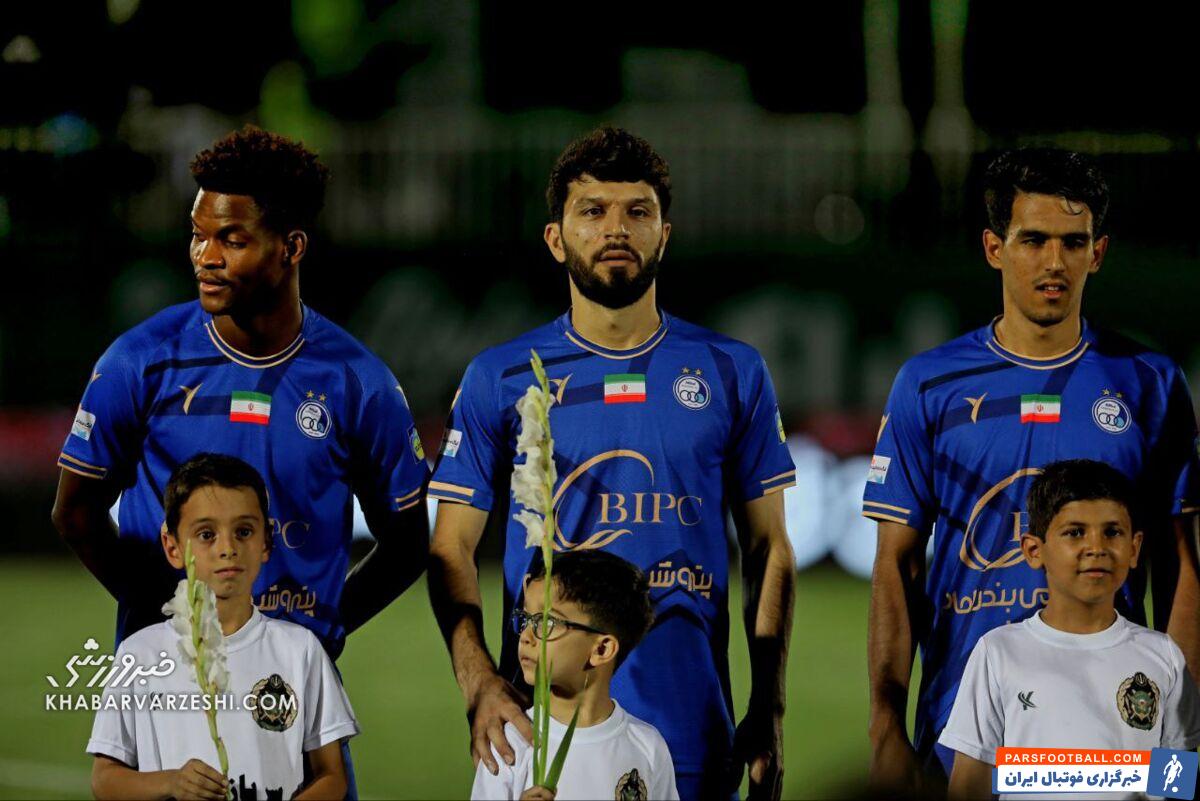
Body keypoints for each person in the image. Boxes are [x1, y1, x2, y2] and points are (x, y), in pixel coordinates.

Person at [428, 126, 795, 800]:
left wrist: (768, 705)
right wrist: (478, 680)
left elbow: (769, 546)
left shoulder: (731, 371)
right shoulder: (500, 376)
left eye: (637, 212)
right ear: (555, 238)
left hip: (693, 734)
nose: (616, 229)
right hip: (539, 742)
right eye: (592, 211)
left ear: (664, 234)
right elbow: (450, 546)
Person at [865, 147, 1200, 792]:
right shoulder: (928, 384)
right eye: (1034, 240)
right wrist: (885, 727)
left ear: (1097, 253)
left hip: (1115, 745)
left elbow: (1181, 568)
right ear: (995, 248)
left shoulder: (1150, 384)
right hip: (963, 736)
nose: (1054, 262)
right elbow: (896, 565)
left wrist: (1178, 755)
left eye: (1073, 243)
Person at [51, 125, 430, 656]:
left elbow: (408, 544)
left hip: (291, 690)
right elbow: (75, 514)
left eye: (231, 240)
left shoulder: (359, 383)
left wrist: (322, 634)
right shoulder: (139, 362)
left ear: (291, 247)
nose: (205, 256)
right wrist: (167, 619)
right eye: (197, 235)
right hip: (167, 677)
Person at [88, 453, 358, 801]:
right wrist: (171, 782)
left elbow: (333, 776)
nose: (228, 548)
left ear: (266, 541)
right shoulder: (139, 654)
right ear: (172, 546)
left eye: (243, 532)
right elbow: (104, 780)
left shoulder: (300, 650)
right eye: (206, 534)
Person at [939, 460, 1200, 800]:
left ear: (1134, 549)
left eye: (1112, 532)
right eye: (1075, 532)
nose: (1096, 547)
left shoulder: (1163, 655)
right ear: (1034, 550)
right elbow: (970, 784)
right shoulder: (998, 652)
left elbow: (1177, 783)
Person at [471, 549, 677, 800]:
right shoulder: (510, 746)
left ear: (602, 649)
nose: (525, 636)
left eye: (547, 623)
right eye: (525, 619)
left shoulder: (648, 747)